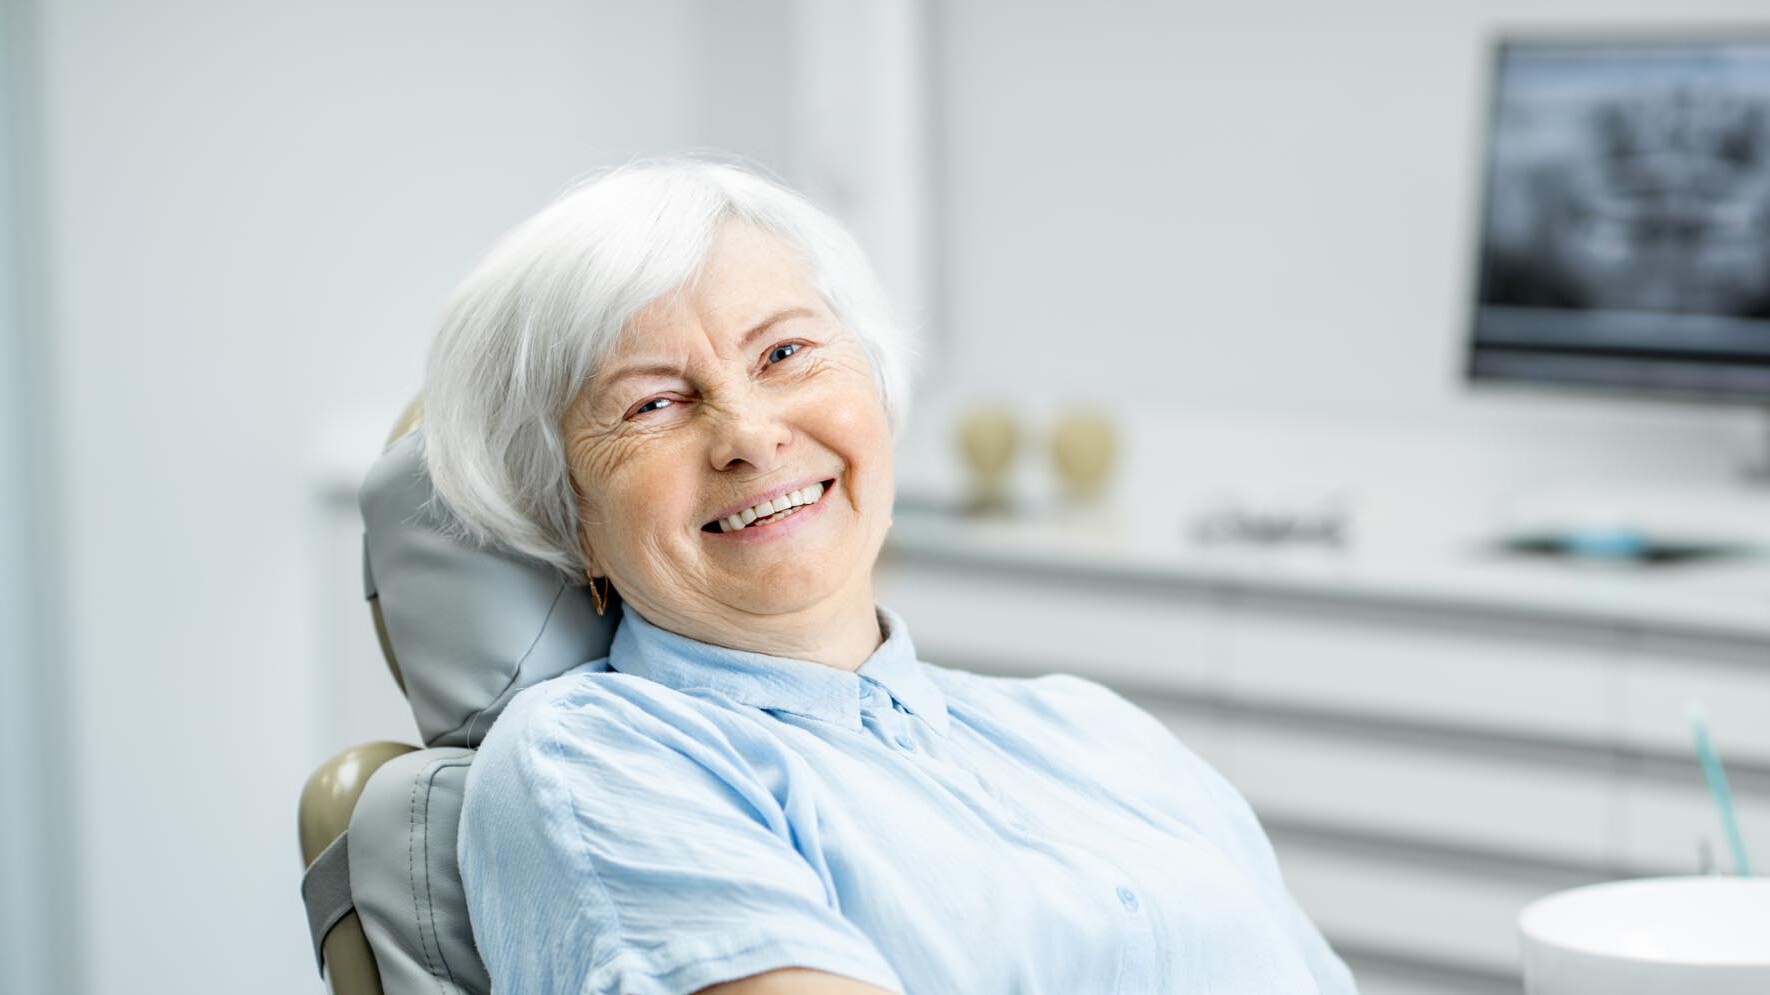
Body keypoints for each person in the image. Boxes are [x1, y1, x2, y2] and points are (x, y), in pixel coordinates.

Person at [425, 157, 1358, 995]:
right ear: (570, 518)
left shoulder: (1100, 731)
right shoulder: (594, 761)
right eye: (654, 402)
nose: (751, 434)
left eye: (785, 353)